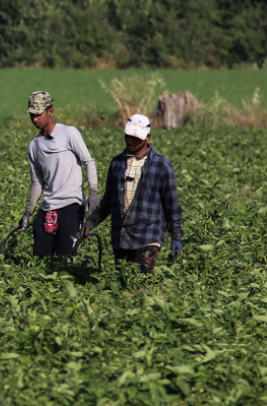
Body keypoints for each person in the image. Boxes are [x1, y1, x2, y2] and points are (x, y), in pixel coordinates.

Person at [81, 114, 182, 274]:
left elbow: (171, 204)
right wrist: (90, 222)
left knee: (140, 283)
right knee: (123, 284)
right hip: (121, 235)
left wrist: (176, 236)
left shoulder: (162, 166)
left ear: (147, 137)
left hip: (149, 234)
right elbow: (108, 201)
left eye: (136, 138)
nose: (130, 141)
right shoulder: (117, 164)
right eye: (128, 136)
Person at [15, 91, 99, 258]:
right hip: (48, 206)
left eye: (38, 114)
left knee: (66, 255)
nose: (35, 119)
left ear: (50, 111)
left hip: (71, 204)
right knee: (41, 256)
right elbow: (37, 182)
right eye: (32, 115)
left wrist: (94, 193)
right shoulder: (34, 145)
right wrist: (27, 213)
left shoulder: (69, 133)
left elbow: (88, 162)